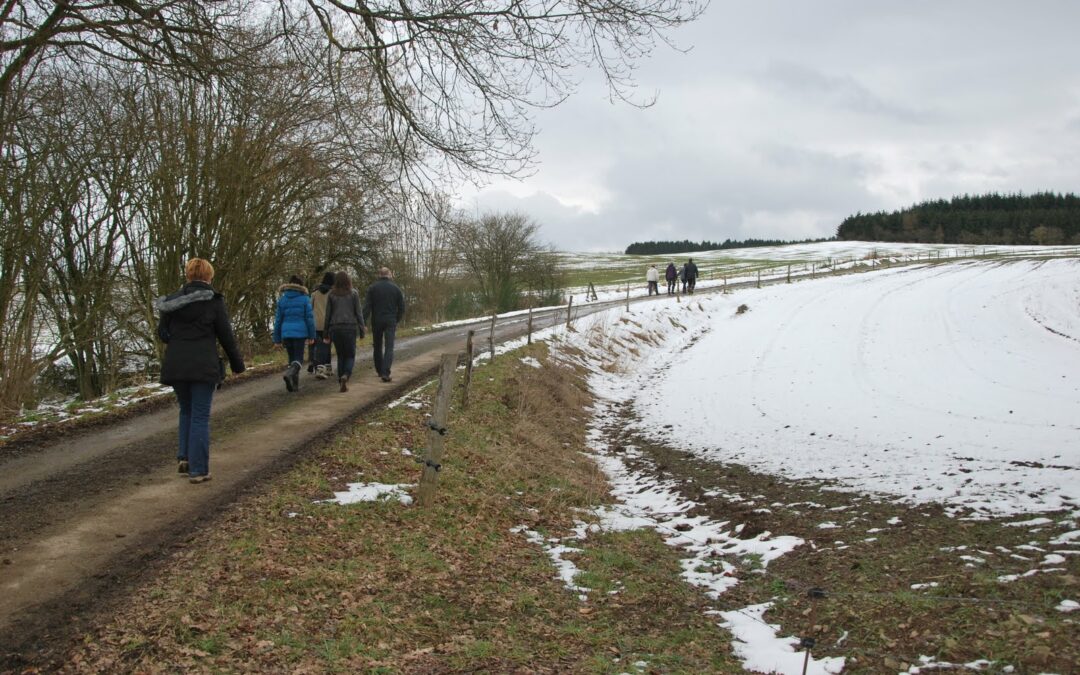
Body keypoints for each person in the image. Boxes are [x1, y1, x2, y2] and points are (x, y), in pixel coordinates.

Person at [154, 258, 245, 484]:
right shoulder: (213, 301)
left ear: (188, 275)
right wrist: (237, 364)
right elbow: (226, 336)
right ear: (208, 276)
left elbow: (162, 333)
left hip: (177, 364)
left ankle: (185, 457)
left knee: (186, 410)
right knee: (200, 416)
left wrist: (179, 341)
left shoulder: (172, 302)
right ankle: (199, 469)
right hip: (204, 365)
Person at [323, 271, 365, 392]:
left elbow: (328, 315)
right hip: (350, 327)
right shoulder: (354, 293)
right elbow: (359, 313)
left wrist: (325, 332)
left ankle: (340, 380)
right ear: (348, 281)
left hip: (335, 328)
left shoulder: (331, 294)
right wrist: (362, 329)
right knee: (350, 355)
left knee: (340, 355)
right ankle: (346, 375)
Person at [273, 275, 315, 392]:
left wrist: (277, 339)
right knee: (298, 359)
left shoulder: (282, 300)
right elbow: (309, 319)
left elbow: (278, 320)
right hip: (300, 334)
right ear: (301, 286)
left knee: (292, 359)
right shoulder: (305, 299)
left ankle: (294, 386)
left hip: (286, 333)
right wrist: (312, 335)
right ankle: (289, 374)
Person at [363, 267, 406, 383]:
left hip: (376, 320)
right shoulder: (396, 289)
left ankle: (379, 370)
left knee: (377, 346)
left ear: (379, 275)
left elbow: (367, 307)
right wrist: (396, 319)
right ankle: (386, 372)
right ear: (389, 274)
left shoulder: (372, 288)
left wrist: (363, 321)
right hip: (390, 320)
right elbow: (402, 308)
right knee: (389, 347)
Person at [309, 271, 335, 379]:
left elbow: (310, 308)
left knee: (321, 346)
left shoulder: (314, 293)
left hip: (316, 324)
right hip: (328, 324)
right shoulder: (333, 293)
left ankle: (325, 367)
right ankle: (322, 368)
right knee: (326, 346)